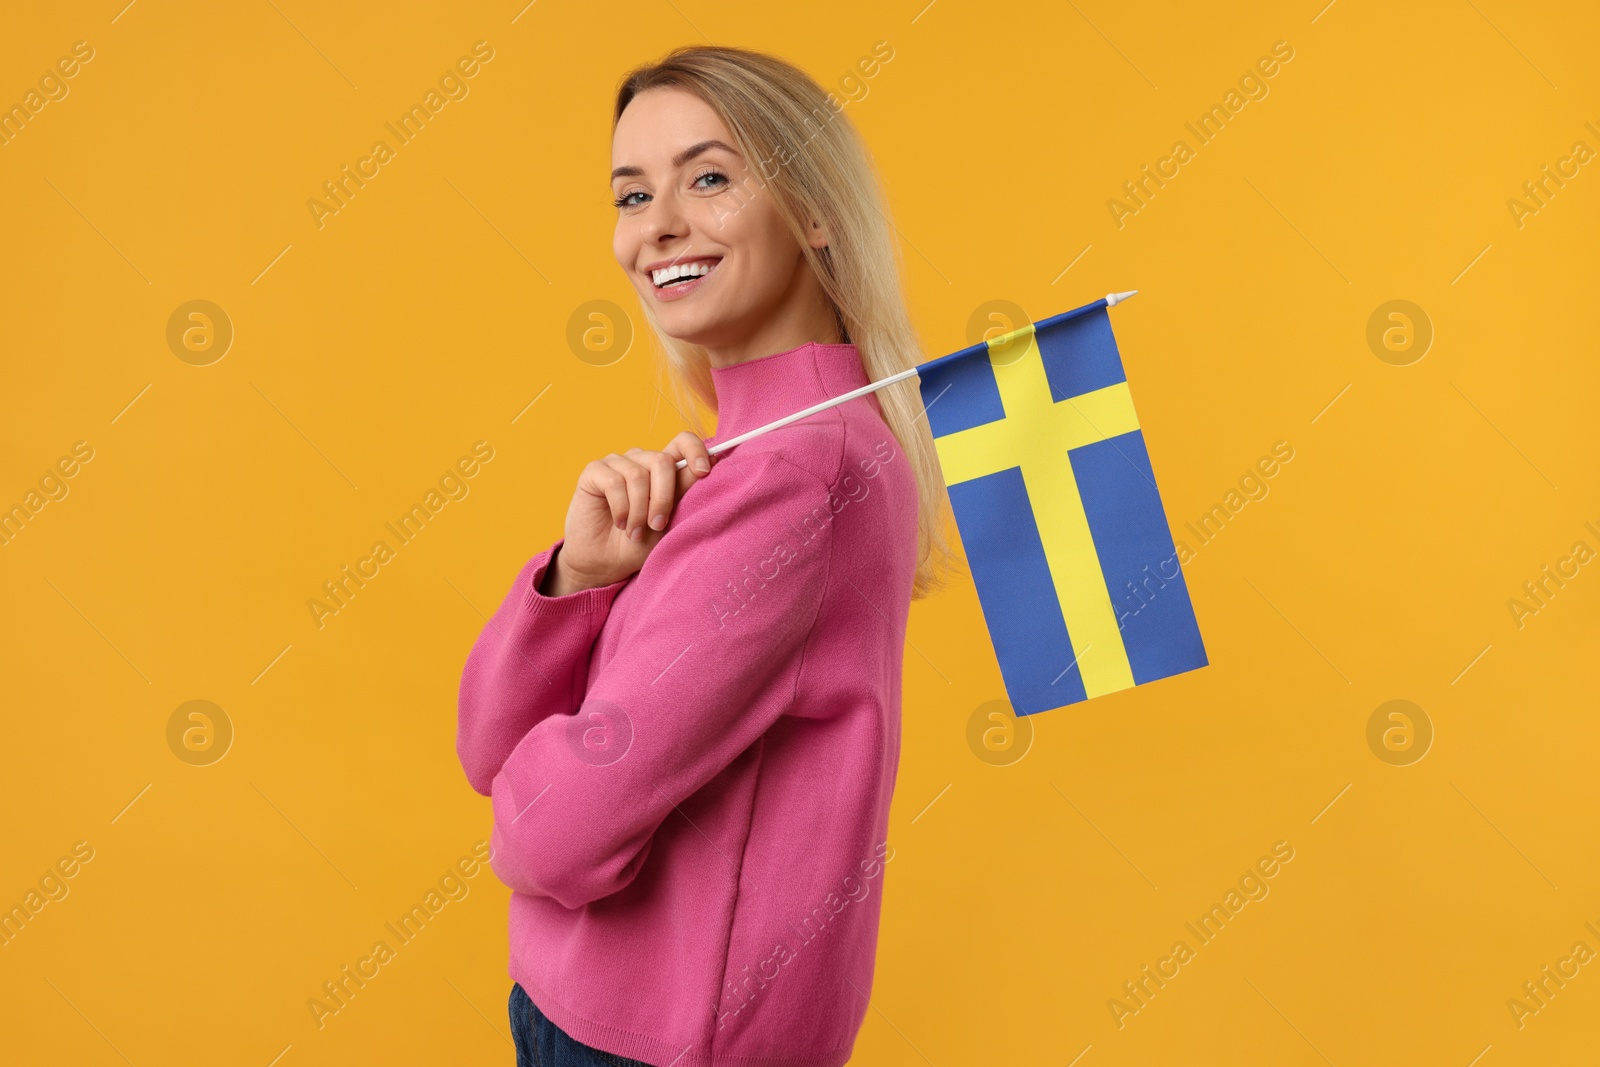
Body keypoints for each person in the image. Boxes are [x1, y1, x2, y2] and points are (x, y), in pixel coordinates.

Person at [456, 44, 953, 1067]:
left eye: (710, 177)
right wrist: (581, 582)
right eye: (631, 194)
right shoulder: (768, 454)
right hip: (616, 1025)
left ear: (814, 211)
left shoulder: (794, 479)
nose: (658, 227)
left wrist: (536, 785)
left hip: (657, 1046)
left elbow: (551, 835)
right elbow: (488, 752)